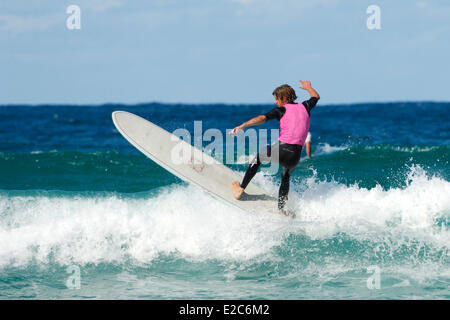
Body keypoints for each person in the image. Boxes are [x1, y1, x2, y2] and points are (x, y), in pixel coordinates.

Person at [229, 80, 320, 215]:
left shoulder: (281, 109)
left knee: (259, 157)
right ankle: (280, 209)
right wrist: (308, 87)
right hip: (295, 156)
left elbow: (262, 118)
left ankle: (240, 189)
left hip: (283, 149)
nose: (275, 102)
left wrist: (243, 125)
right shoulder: (305, 106)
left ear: (283, 98)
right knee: (285, 175)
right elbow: (316, 97)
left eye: (276, 99)